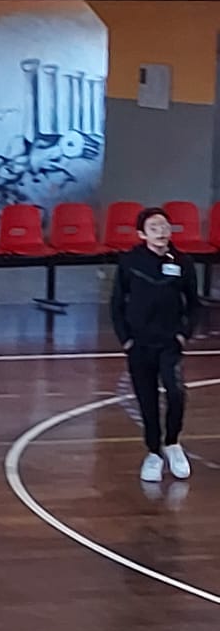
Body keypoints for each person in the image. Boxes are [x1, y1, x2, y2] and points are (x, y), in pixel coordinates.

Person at [112, 206, 200, 483]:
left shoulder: (183, 262)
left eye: (164, 226)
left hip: (169, 342)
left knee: (175, 393)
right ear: (142, 234)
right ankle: (153, 452)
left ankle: (172, 443)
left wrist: (183, 334)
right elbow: (117, 304)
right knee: (147, 399)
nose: (161, 231)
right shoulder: (130, 262)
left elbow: (193, 304)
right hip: (139, 344)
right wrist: (126, 339)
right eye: (153, 227)